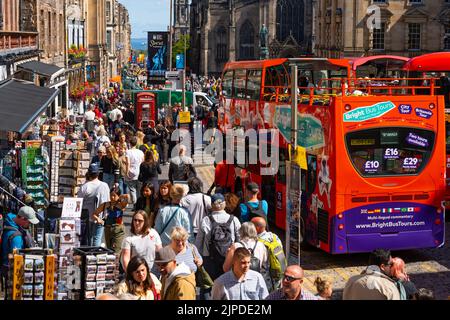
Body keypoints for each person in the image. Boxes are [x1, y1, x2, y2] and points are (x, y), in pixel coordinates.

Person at [195, 193, 241, 281]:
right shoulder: (234, 220)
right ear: (224, 204)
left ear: (212, 205)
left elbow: (199, 241)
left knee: (209, 284)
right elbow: (239, 239)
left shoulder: (206, 220)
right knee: (228, 283)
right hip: (229, 257)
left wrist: (199, 258)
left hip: (209, 257)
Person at [1, 206, 39, 298]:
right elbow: (17, 259)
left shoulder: (10, 220)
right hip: (11, 270)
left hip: (4, 266)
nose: (30, 224)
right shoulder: (16, 237)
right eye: (29, 222)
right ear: (22, 218)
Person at [78, 163, 110, 246]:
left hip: (87, 216)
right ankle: (95, 256)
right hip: (100, 216)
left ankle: (89, 255)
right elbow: (107, 203)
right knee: (97, 238)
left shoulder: (84, 187)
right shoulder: (105, 185)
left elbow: (79, 202)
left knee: (89, 238)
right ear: (98, 173)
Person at [251, 217, 286, 291]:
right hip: (279, 271)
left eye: (251, 225)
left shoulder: (259, 243)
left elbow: (258, 263)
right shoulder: (274, 236)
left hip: (267, 276)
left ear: (257, 228)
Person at [92, 189, 128, 254]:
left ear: (118, 196)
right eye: (111, 195)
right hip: (108, 229)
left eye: (114, 195)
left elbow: (128, 197)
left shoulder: (121, 205)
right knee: (109, 250)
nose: (112, 197)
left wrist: (121, 196)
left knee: (116, 251)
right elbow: (94, 214)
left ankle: (117, 263)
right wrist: (98, 219)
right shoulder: (106, 204)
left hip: (118, 229)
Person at [124, 136, 145, 205]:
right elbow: (143, 162)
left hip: (131, 171)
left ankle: (135, 202)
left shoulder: (128, 152)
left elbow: (128, 163)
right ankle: (137, 203)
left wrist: (126, 172)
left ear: (130, 143)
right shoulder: (140, 152)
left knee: (132, 188)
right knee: (139, 189)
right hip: (139, 172)